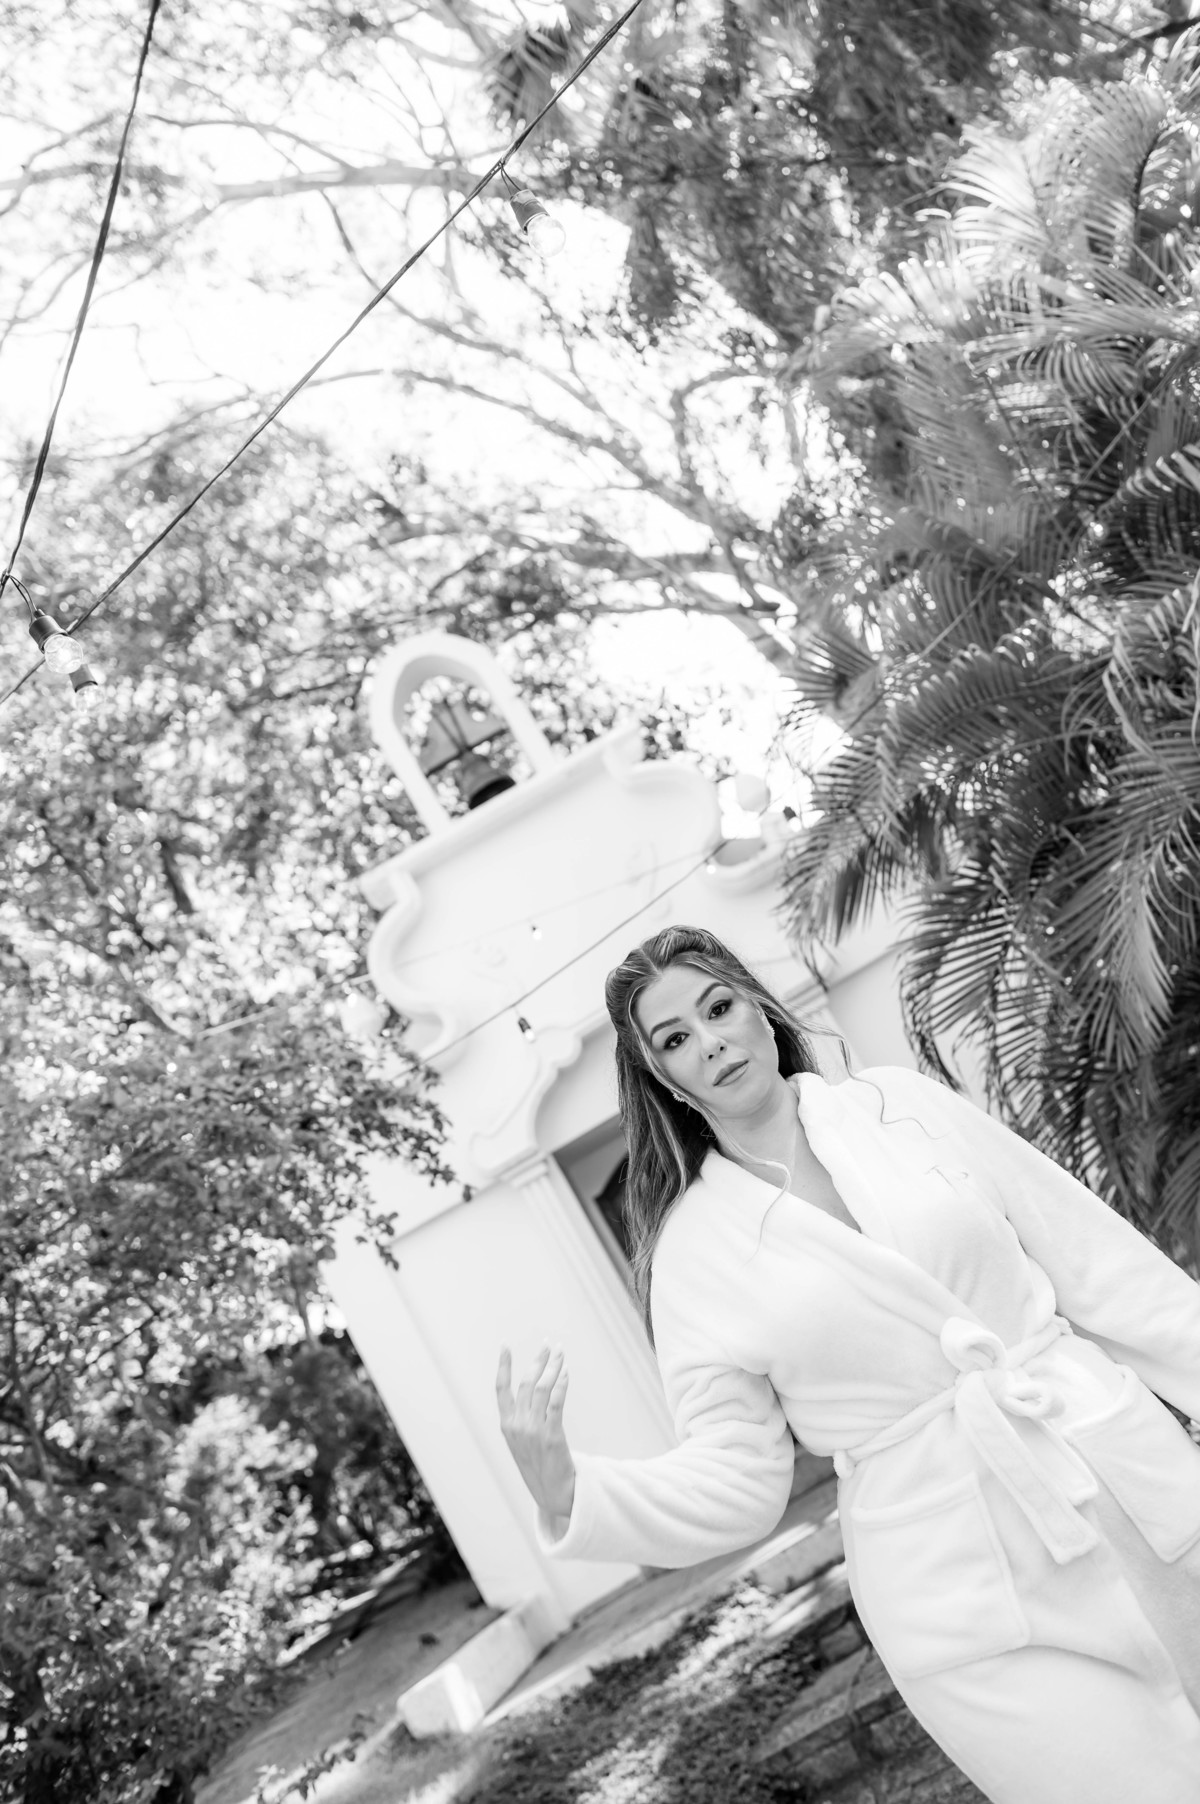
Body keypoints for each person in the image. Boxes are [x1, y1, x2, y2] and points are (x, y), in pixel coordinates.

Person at [495, 925, 1200, 1804]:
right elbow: (739, 1477)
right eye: (674, 1038)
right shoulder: (694, 1254)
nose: (709, 1041)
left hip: (1115, 1469)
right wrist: (574, 1493)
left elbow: (1101, 1269)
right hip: (955, 1585)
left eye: (719, 1007)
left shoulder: (901, 1107)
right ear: (663, 1079)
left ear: (760, 1009)